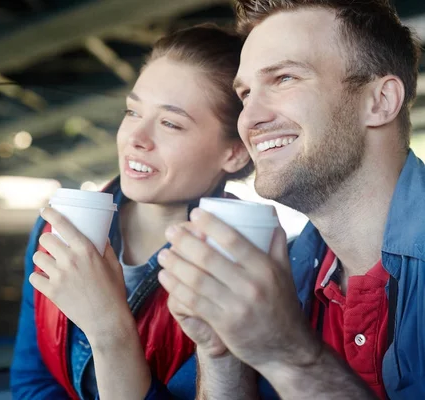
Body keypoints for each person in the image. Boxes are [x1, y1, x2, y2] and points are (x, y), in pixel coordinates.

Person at [157, 1, 425, 399]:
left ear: (380, 101)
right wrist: (222, 353)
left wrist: (289, 355)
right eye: (246, 94)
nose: (248, 120)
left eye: (284, 79)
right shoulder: (276, 275)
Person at [10, 24, 254, 400]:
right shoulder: (58, 227)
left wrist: (110, 330)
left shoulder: (243, 270)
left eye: (171, 123)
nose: (135, 138)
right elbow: (32, 382)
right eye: (132, 111)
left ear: (235, 152)